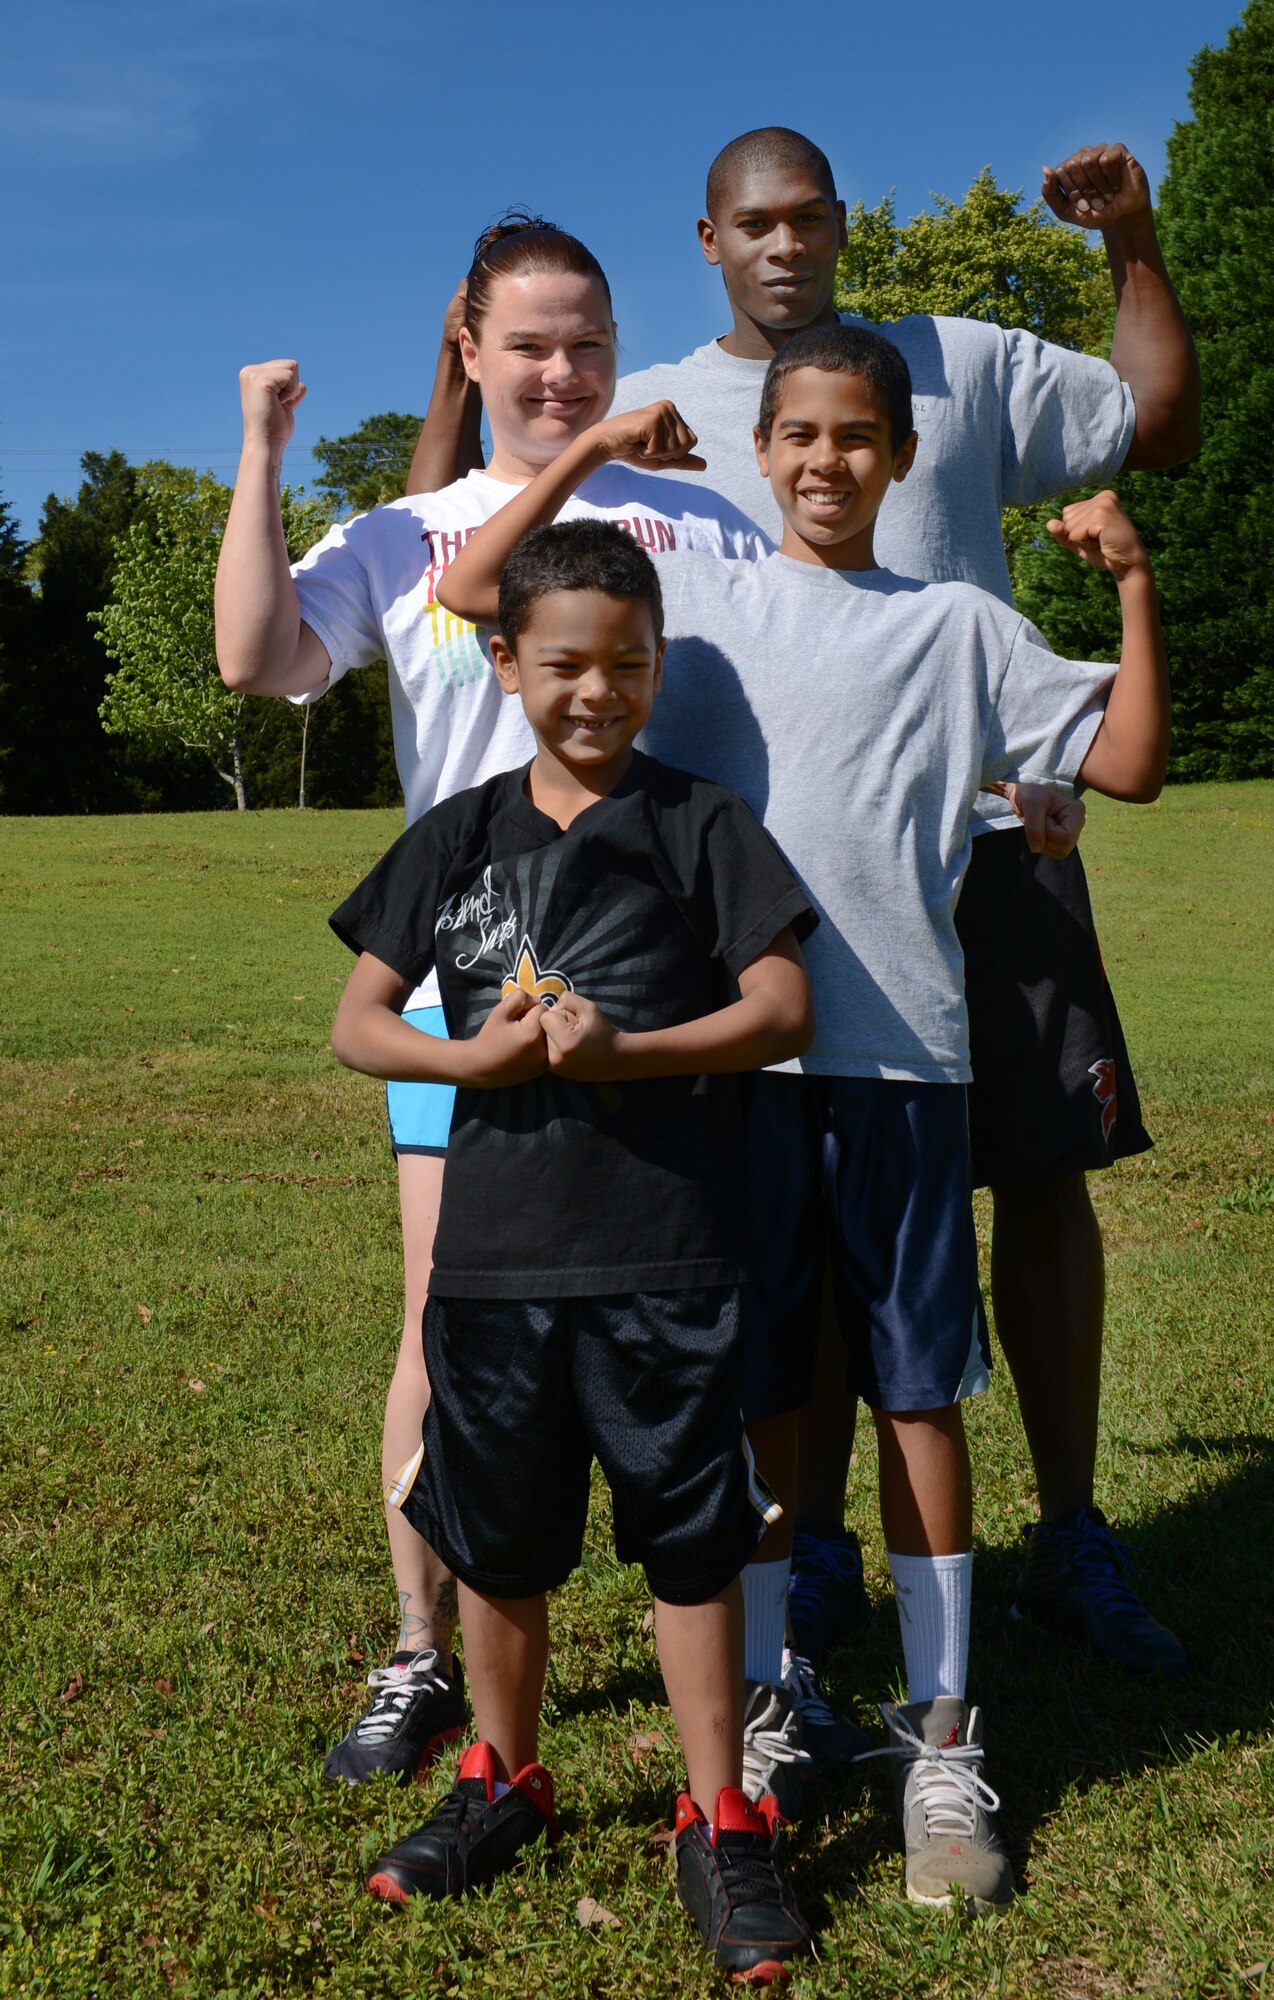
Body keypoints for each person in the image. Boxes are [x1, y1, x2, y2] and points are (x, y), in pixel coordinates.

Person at [433, 325, 1171, 1910]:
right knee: (758, 1395)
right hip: (726, 1078)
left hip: (906, 1068)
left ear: (900, 459)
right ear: (756, 451)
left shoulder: (961, 621)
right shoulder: (689, 612)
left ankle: (945, 1732)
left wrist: (1121, 587)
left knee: (917, 1392)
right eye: (799, 436)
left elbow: (1120, 760)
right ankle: (766, 1712)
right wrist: (595, 452)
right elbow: (471, 587)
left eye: (858, 438)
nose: (827, 462)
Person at [604, 127, 1199, 1677]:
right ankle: (810, 1566)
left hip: (999, 834)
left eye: (809, 219)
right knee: (794, 1223)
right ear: (707, 237)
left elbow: (1155, 423)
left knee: (1040, 1173)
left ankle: (1068, 1536)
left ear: (843, 226)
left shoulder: (960, 364)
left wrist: (1129, 243)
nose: (784, 247)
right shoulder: (665, 401)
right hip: (780, 890)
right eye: (753, 225)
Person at [214, 214, 772, 1789]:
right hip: (470, 1000)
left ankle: (759, 1645)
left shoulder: (693, 519)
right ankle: (419, 1649)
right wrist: (260, 450)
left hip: (658, 994)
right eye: (527, 343)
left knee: (685, 1317)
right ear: (468, 351)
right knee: (441, 1319)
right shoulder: (404, 536)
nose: (560, 368)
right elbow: (257, 654)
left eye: (586, 341)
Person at [327, 519, 817, 1984]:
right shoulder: (460, 834)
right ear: (504, 662)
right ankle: (504, 1779)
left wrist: (631, 1054)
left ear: (656, 664)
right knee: (503, 1545)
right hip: (491, 1266)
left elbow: (783, 1008)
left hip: (668, 1255)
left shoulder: (701, 826)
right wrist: (469, 1064)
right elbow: (357, 1023)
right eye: (563, 666)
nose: (596, 693)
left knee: (689, 1543)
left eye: (626, 665)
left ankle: (720, 1814)